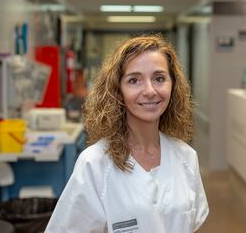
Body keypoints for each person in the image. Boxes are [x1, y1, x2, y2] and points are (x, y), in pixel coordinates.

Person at [45, 35, 209, 233]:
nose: (149, 91)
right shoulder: (95, 163)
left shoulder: (186, 157)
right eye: (134, 80)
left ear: (172, 85)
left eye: (159, 78)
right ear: (117, 90)